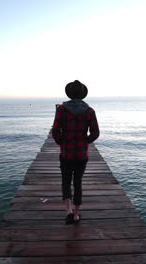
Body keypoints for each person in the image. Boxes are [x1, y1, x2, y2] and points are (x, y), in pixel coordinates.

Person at [52, 80, 99, 225]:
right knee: (77, 183)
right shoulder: (90, 111)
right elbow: (95, 132)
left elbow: (55, 130)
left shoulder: (61, 109)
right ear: (82, 94)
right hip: (81, 154)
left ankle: (68, 212)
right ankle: (77, 214)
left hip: (66, 153)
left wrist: (62, 142)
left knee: (66, 182)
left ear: (69, 94)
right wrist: (85, 142)